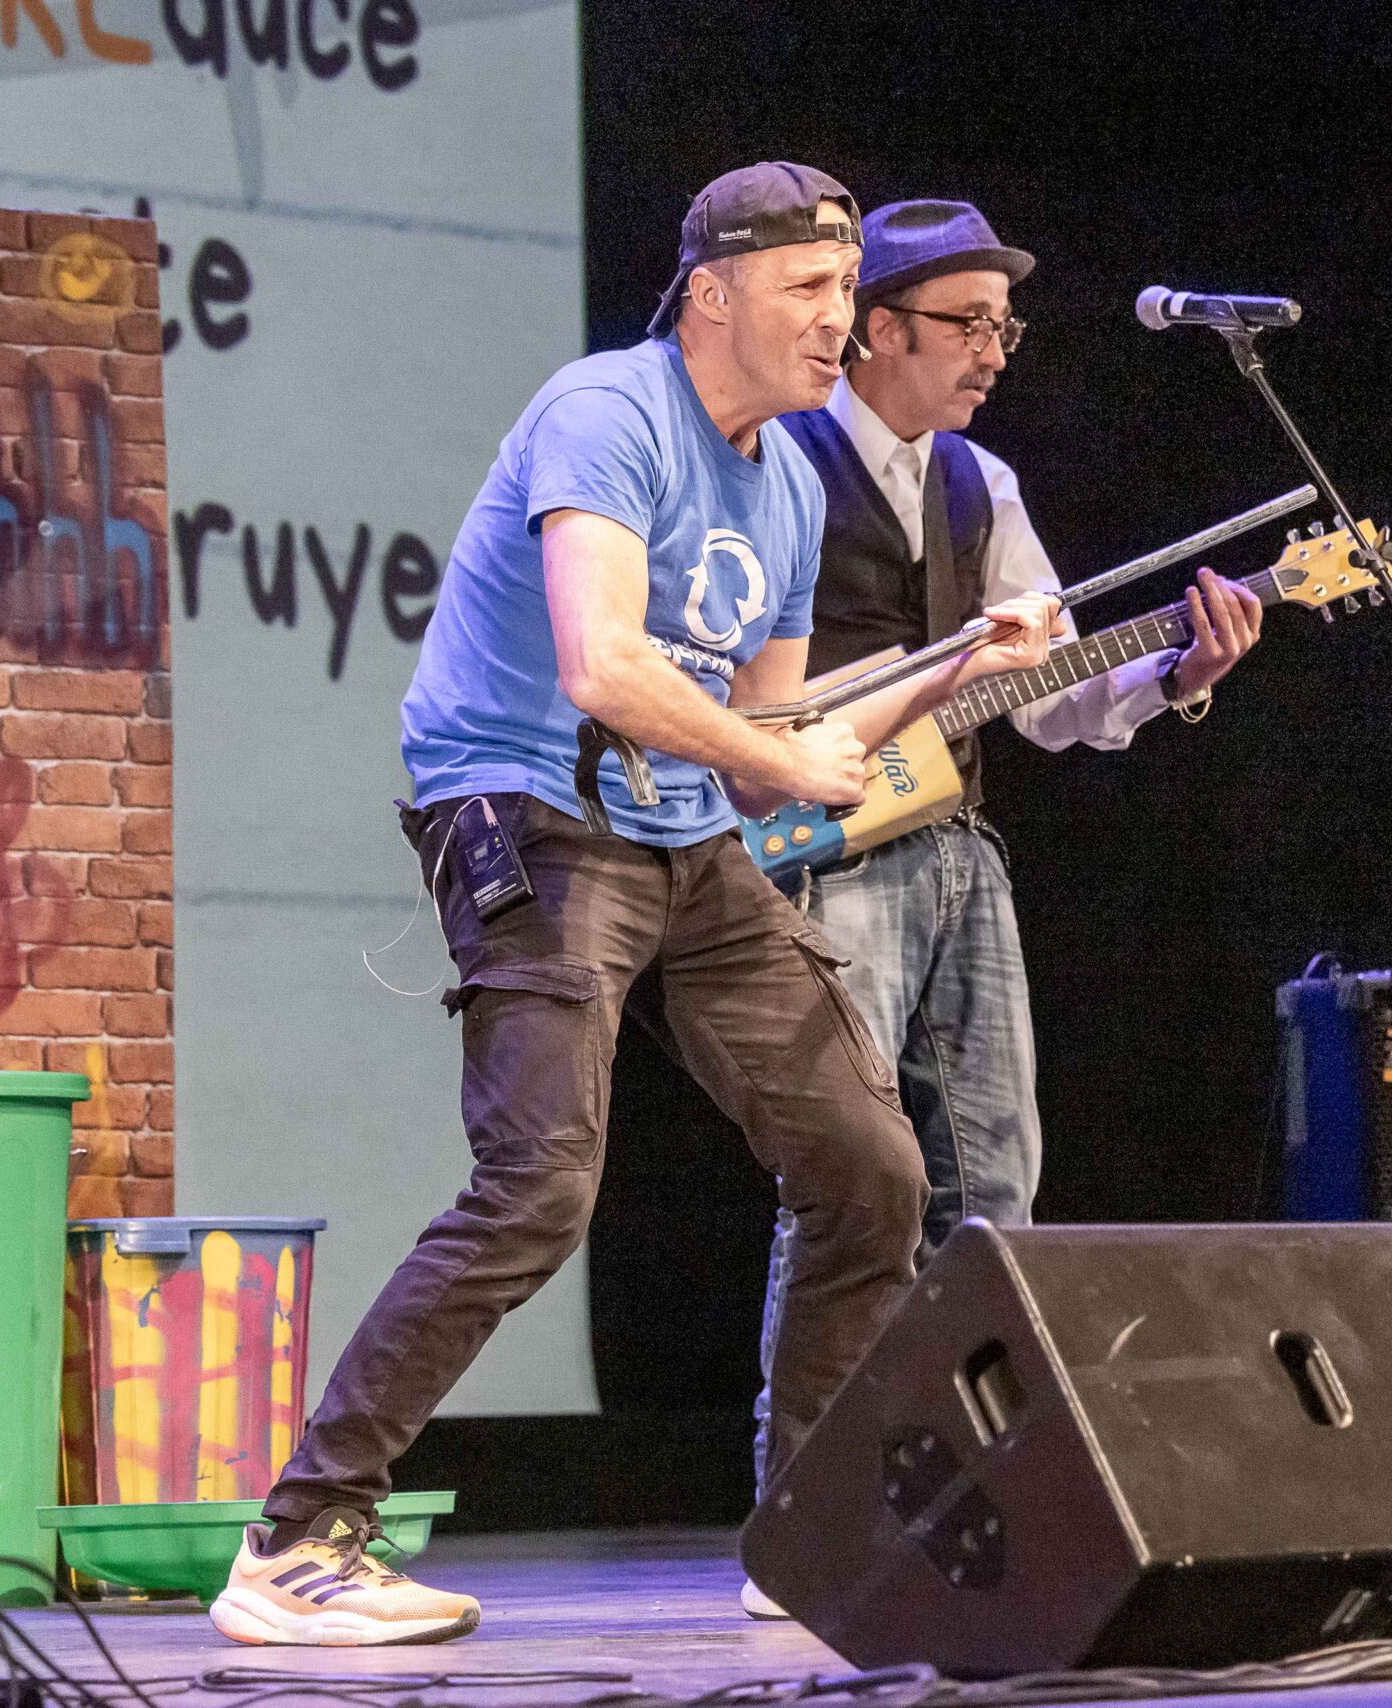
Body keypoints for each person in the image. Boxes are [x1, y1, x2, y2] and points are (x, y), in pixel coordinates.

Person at [209, 162, 1057, 1647]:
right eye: (807, 293)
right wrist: (778, 754)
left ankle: (803, 1531)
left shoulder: (788, 482)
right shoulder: (609, 414)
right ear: (711, 293)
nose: (834, 325)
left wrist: (960, 668)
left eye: (845, 297)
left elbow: (781, 759)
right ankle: (298, 1541)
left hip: (679, 837)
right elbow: (605, 667)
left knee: (873, 1168)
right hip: (527, 810)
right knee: (537, 1185)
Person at [737, 200, 1262, 1617]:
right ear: (879, 330)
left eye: (1005, 329)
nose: (995, 354)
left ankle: (965, 1499)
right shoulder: (773, 458)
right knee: (852, 1184)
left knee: (994, 1182)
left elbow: (1054, 697)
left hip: (962, 850)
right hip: (821, 854)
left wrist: (1177, 668)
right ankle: (801, 1517)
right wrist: (918, 673)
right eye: (969, 326)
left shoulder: (983, 486)